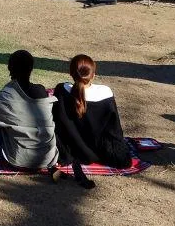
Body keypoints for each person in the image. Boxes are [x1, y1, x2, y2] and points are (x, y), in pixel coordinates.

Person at [53, 55, 132, 189]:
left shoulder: (61, 90)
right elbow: (114, 130)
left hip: (68, 149)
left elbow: (56, 123)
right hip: (99, 149)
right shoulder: (105, 93)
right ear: (93, 75)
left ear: (71, 74)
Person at [0, 50, 60, 173]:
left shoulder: (6, 95)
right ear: (31, 68)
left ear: (9, 68)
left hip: (18, 160)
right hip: (47, 158)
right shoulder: (42, 91)